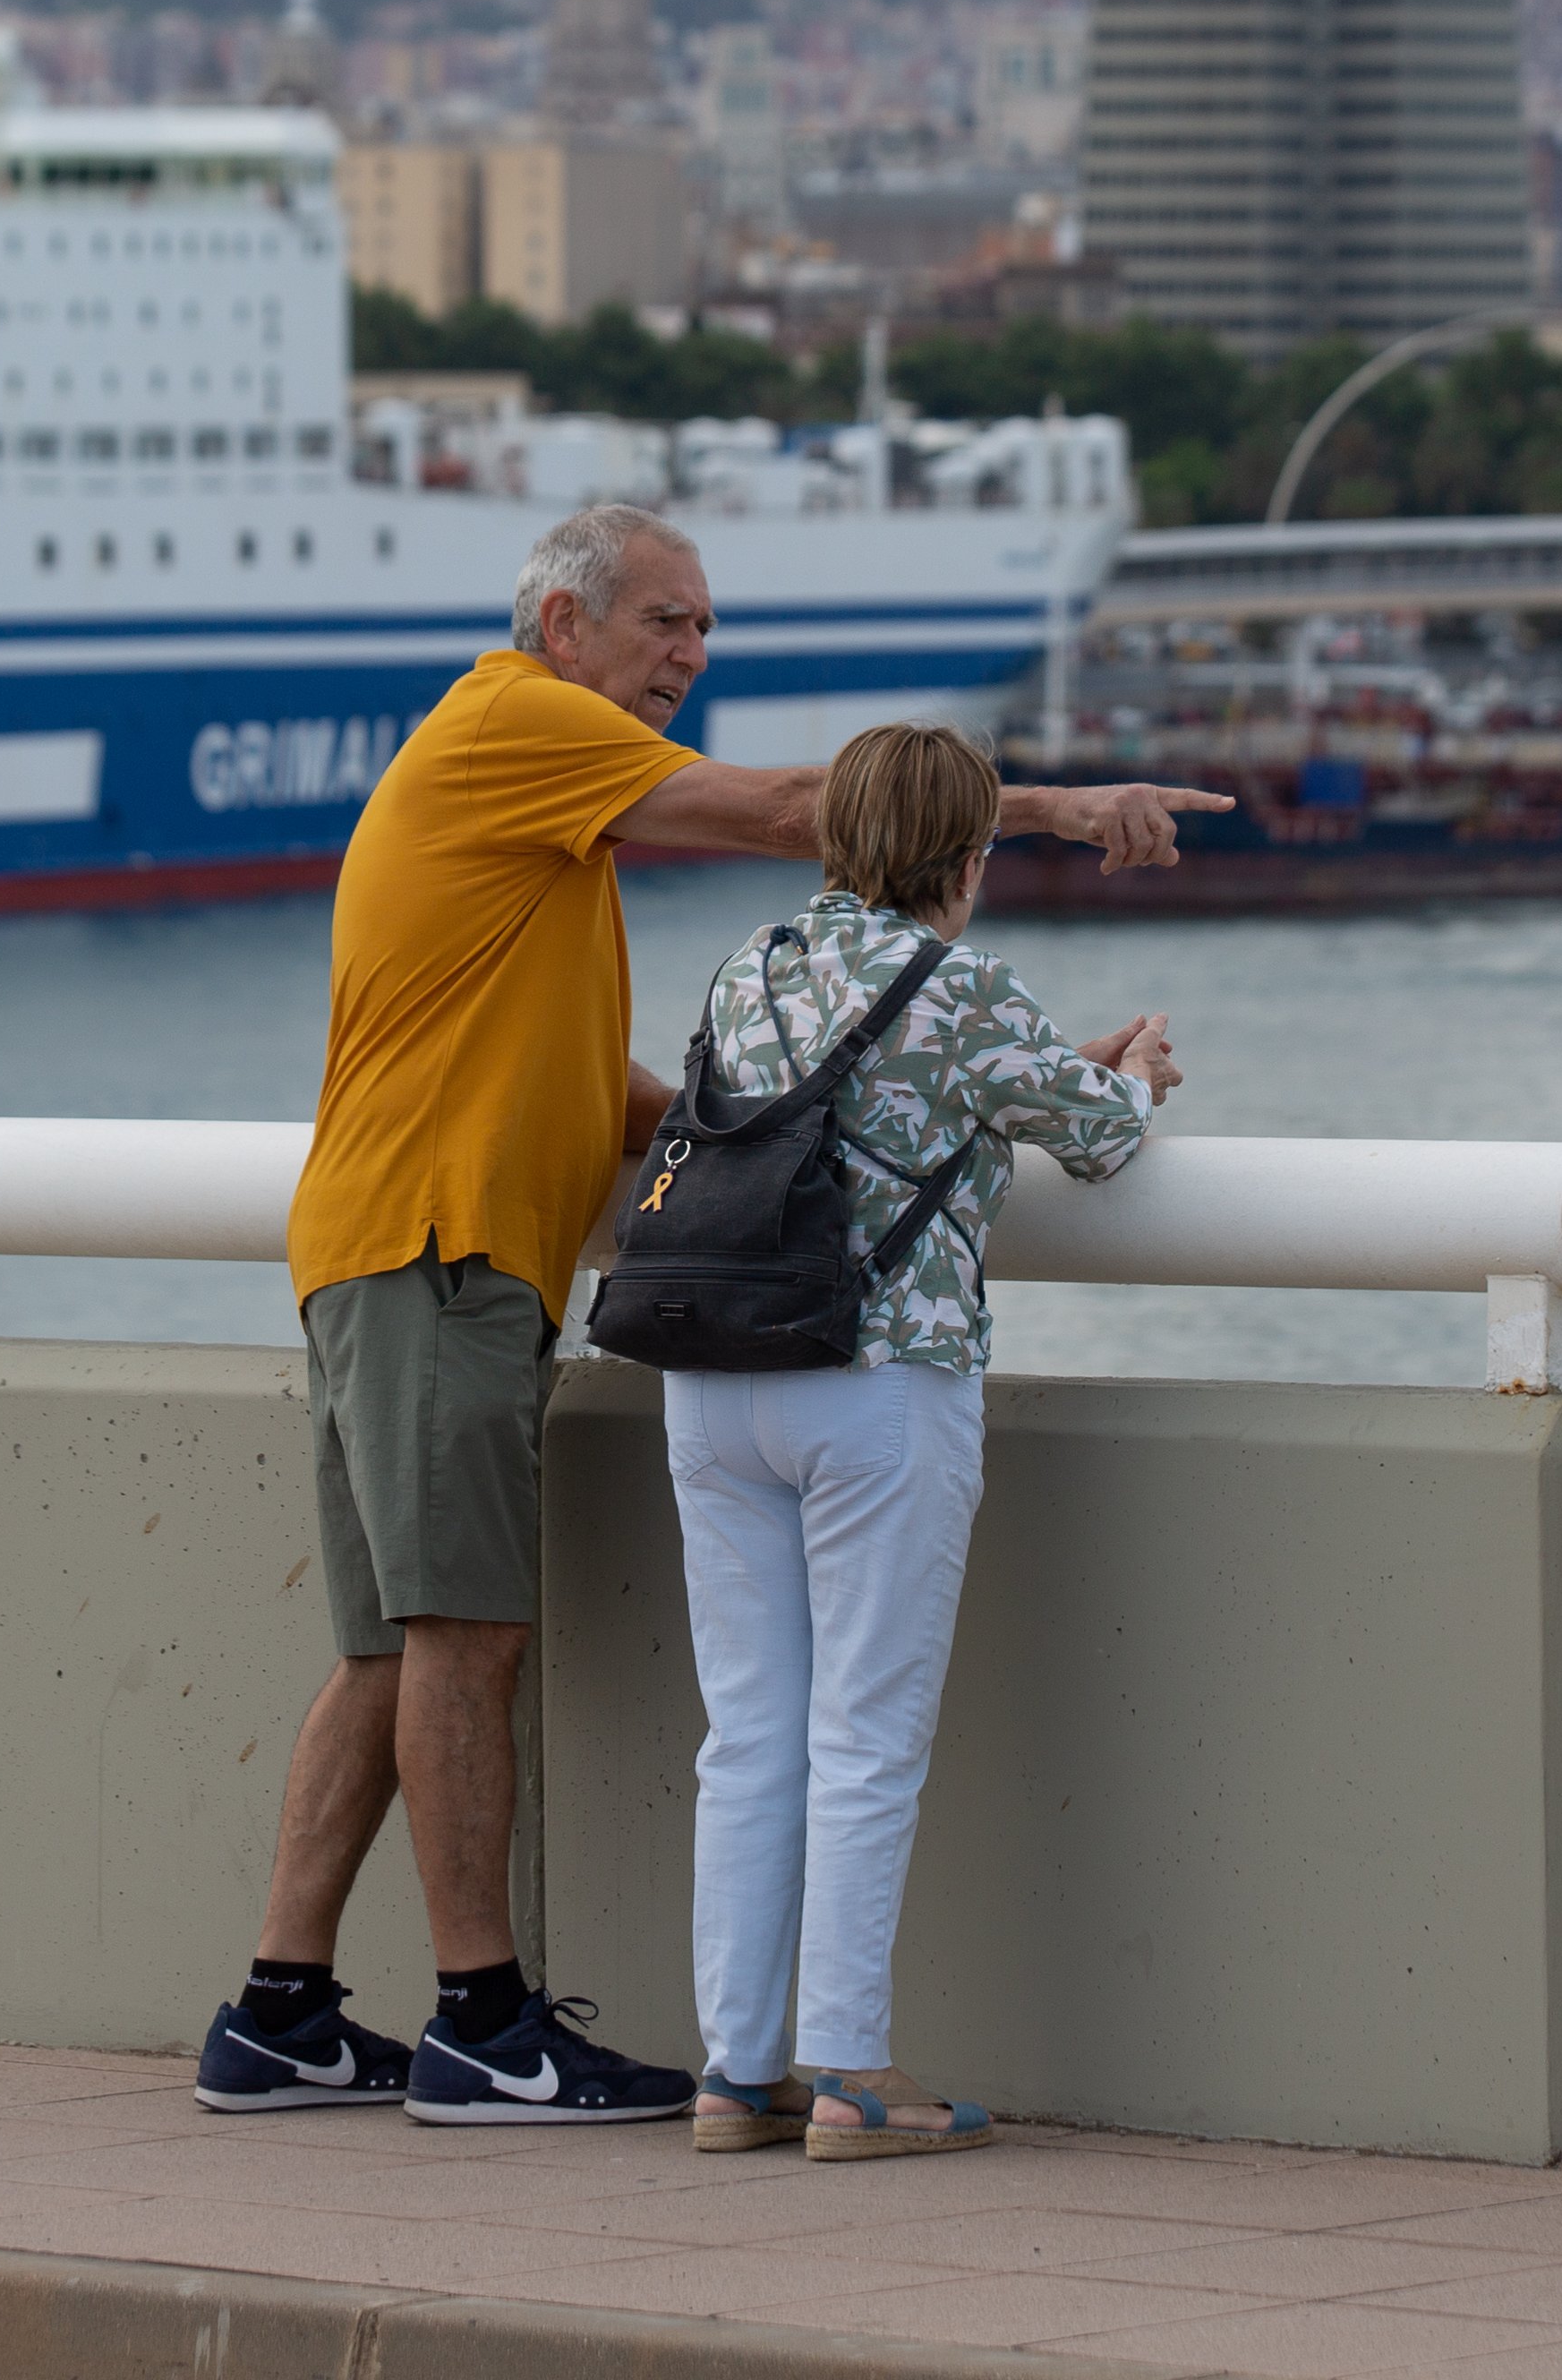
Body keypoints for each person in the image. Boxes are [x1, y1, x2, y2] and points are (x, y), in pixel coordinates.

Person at [196, 503, 1225, 2127]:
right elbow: (810, 805)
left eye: (701, 631)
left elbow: (622, 1091)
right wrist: (1059, 805)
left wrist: (785, 1151)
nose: (689, 656)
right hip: (444, 1247)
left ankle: (279, 2012)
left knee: (394, 1646)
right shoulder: (517, 725)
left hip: (392, 1242)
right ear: (562, 629)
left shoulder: (553, 837)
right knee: (466, 1635)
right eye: (663, 623)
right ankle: (481, 2022)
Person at [660, 721, 1173, 2161]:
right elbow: (1100, 1139)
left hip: (715, 1374)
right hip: (883, 1380)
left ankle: (736, 2071)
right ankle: (853, 2079)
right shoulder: (959, 984)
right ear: (968, 852)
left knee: (749, 1733)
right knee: (866, 1734)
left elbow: (839, 1103)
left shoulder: (747, 966)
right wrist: (1135, 1072)